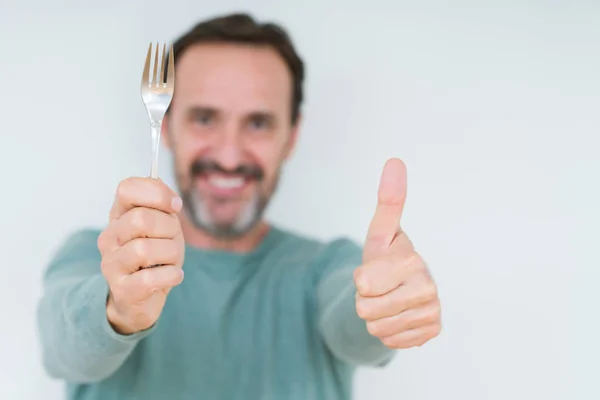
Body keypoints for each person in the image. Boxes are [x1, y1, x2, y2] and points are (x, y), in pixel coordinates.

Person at [36, 12, 441, 400]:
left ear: (291, 136)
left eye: (258, 123)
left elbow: (353, 326)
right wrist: (120, 309)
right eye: (205, 118)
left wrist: (382, 306)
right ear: (170, 127)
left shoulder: (328, 267)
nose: (229, 156)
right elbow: (63, 349)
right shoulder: (98, 255)